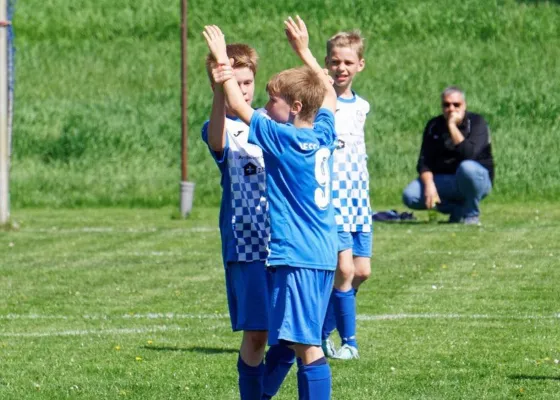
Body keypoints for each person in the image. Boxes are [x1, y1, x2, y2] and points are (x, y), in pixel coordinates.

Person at [203, 15, 338, 399]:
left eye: (269, 99)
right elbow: (326, 93)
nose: (262, 103)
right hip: (314, 250)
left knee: (305, 346)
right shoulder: (322, 132)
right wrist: (304, 52)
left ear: (294, 106)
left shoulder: (282, 140)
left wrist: (220, 61)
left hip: (293, 253)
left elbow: (236, 103)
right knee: (295, 339)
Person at [201, 43, 294, 400]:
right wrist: (219, 91)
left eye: (247, 82)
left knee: (295, 334)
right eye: (233, 82)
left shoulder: (270, 122)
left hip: (286, 241)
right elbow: (216, 140)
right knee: (257, 334)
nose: (242, 90)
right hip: (246, 243)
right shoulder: (218, 126)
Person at [320, 31, 372, 361]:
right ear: (326, 64)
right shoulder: (322, 102)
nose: (341, 68)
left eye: (348, 62)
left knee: (361, 271)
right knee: (344, 270)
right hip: (332, 200)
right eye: (335, 61)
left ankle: (322, 329)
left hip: (359, 200)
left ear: (360, 65)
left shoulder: (363, 106)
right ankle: (349, 343)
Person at [402, 86, 494, 225]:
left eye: (456, 105)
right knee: (410, 195)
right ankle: (458, 211)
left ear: (464, 105)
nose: (451, 109)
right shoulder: (434, 126)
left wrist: (452, 126)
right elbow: (424, 161)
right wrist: (429, 185)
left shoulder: (476, 122)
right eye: (446, 105)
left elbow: (469, 154)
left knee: (467, 168)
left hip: (477, 179)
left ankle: (471, 215)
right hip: (446, 180)